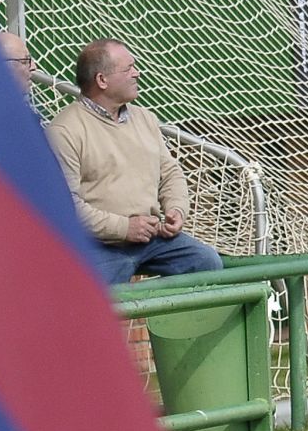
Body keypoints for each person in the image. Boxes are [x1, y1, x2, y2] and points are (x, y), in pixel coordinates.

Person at [46, 38, 223, 285]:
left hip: (153, 239)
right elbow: (67, 208)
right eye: (128, 68)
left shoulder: (146, 118)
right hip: (97, 246)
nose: (136, 73)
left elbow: (170, 172)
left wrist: (176, 209)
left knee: (207, 263)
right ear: (102, 80)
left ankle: (174, 324)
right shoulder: (64, 130)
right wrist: (124, 228)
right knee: (92, 292)